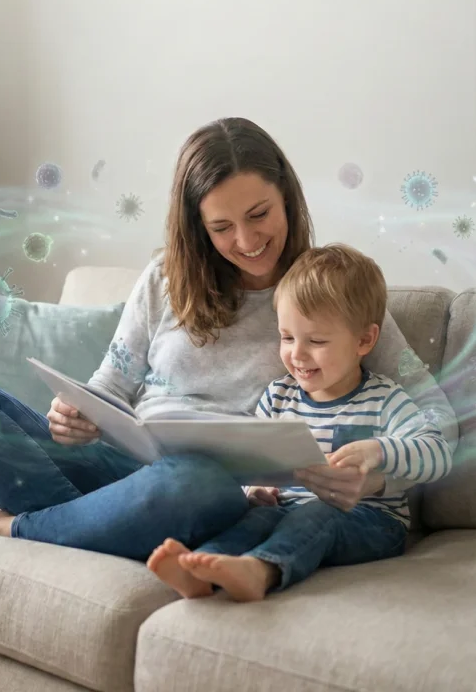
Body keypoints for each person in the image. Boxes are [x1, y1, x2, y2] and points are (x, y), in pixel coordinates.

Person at [0, 118, 458, 563]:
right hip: (124, 472)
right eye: (222, 227)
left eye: (259, 215)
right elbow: (110, 386)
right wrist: (76, 415)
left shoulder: (327, 298)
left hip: (212, 494)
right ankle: (100, 524)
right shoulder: (164, 280)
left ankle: (8, 526)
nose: (246, 240)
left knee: (192, 483)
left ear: (287, 200)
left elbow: (437, 420)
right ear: (198, 226)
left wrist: (375, 471)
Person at [146, 243, 453, 601]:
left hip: (373, 523)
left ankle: (262, 571)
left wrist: (379, 451)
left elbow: (438, 453)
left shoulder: (385, 399)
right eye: (287, 337)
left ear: (364, 340)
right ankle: (202, 566)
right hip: (286, 513)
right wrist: (253, 490)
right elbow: (251, 463)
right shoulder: (277, 396)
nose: (297, 354)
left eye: (316, 341)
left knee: (319, 514)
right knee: (255, 519)